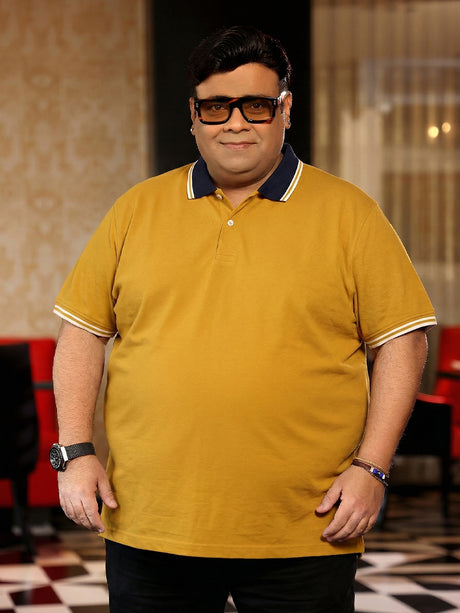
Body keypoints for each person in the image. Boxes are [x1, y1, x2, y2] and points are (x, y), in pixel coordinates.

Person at [51, 25, 436, 613]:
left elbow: (403, 344)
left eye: (256, 105)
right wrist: (75, 453)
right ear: (193, 115)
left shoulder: (351, 214)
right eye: (216, 107)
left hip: (306, 528)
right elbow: (81, 333)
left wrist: (373, 469)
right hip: (151, 523)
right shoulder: (135, 210)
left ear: (286, 110)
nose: (235, 123)